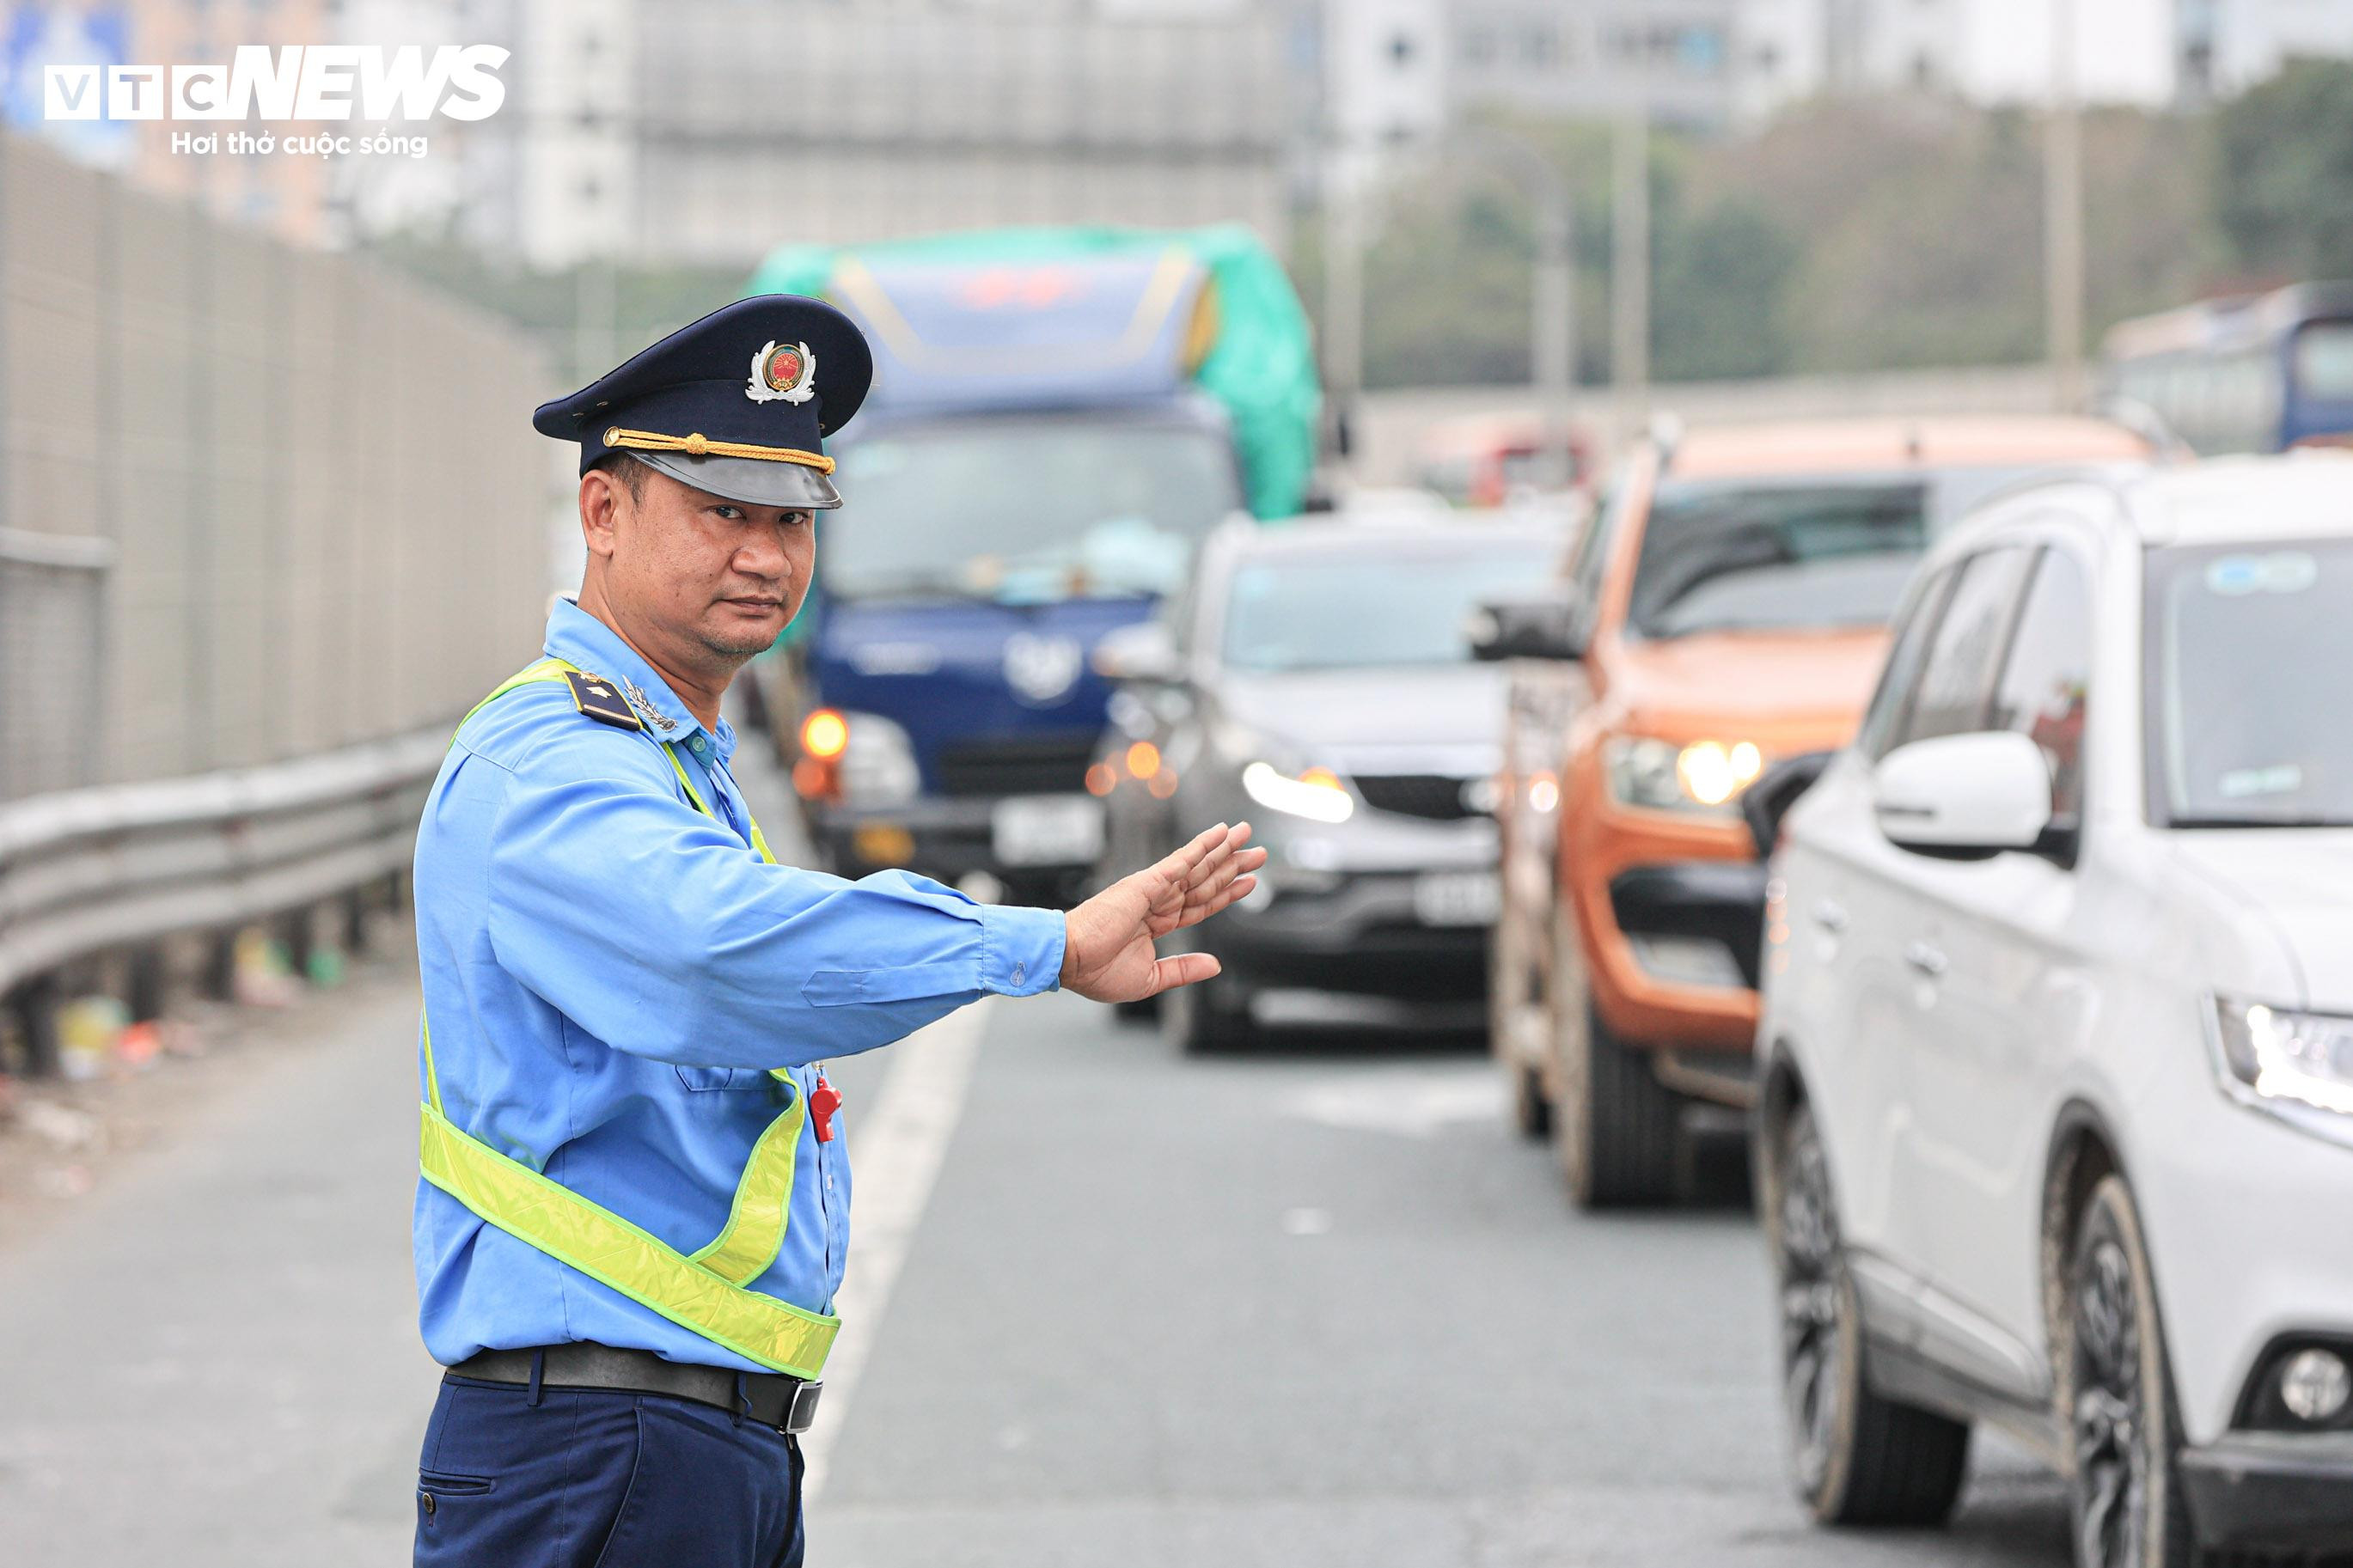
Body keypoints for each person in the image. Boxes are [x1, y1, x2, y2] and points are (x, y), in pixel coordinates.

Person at [409, 295, 1263, 1567]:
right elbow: (718, 951)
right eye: (722, 513)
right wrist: (1032, 944)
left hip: (679, 1443)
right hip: (598, 1444)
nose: (766, 555)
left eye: (790, 519)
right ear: (602, 513)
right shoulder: (556, 761)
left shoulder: (667, 755)